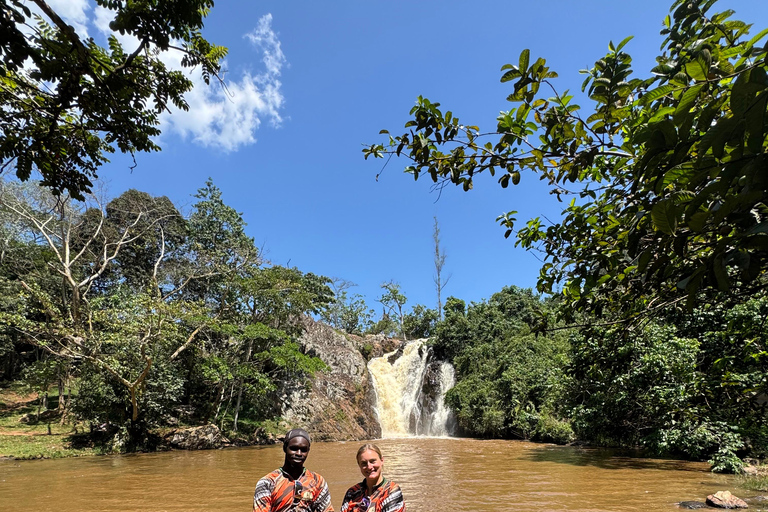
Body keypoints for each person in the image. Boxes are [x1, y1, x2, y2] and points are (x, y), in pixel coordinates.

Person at [253, 428, 333, 512]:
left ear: (308, 451)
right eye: (294, 448)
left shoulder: (317, 482)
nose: (299, 453)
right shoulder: (268, 483)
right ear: (284, 448)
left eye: (303, 450)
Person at [340, 444, 405, 512]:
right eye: (364, 463)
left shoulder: (392, 491)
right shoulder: (352, 492)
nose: (369, 467)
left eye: (372, 461)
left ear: (382, 460)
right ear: (359, 465)